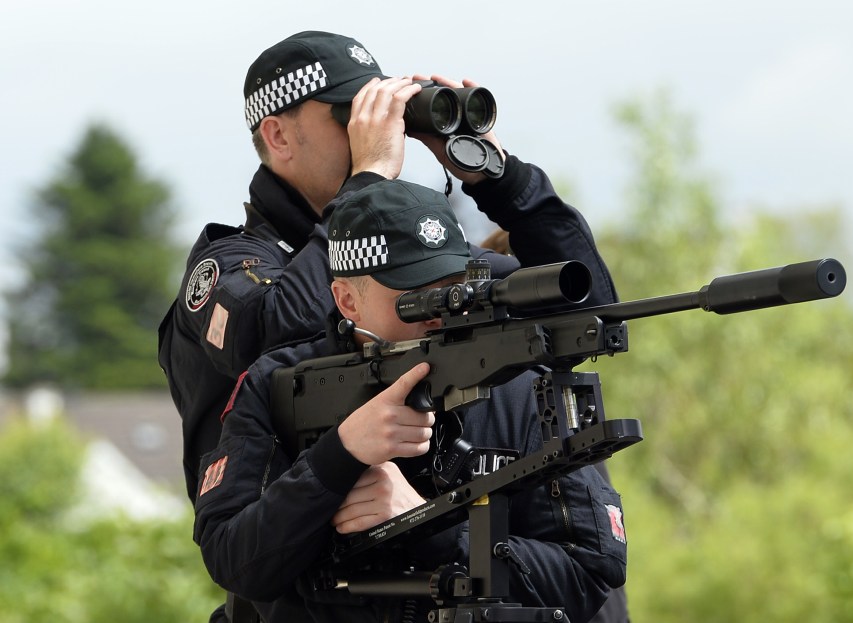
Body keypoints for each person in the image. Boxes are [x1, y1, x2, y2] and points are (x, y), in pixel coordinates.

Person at [157, 30, 626, 621]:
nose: (380, 130)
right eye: (353, 116)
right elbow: (277, 335)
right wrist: (369, 178)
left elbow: (586, 316)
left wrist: (495, 175)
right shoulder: (229, 265)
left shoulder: (431, 265)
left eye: (385, 112)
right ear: (277, 135)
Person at [192, 179, 628, 623]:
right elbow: (233, 560)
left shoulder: (519, 386)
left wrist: (430, 523)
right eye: (414, 295)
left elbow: (589, 575)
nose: (441, 309)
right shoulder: (276, 385)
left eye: (453, 286)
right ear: (347, 300)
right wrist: (338, 456)